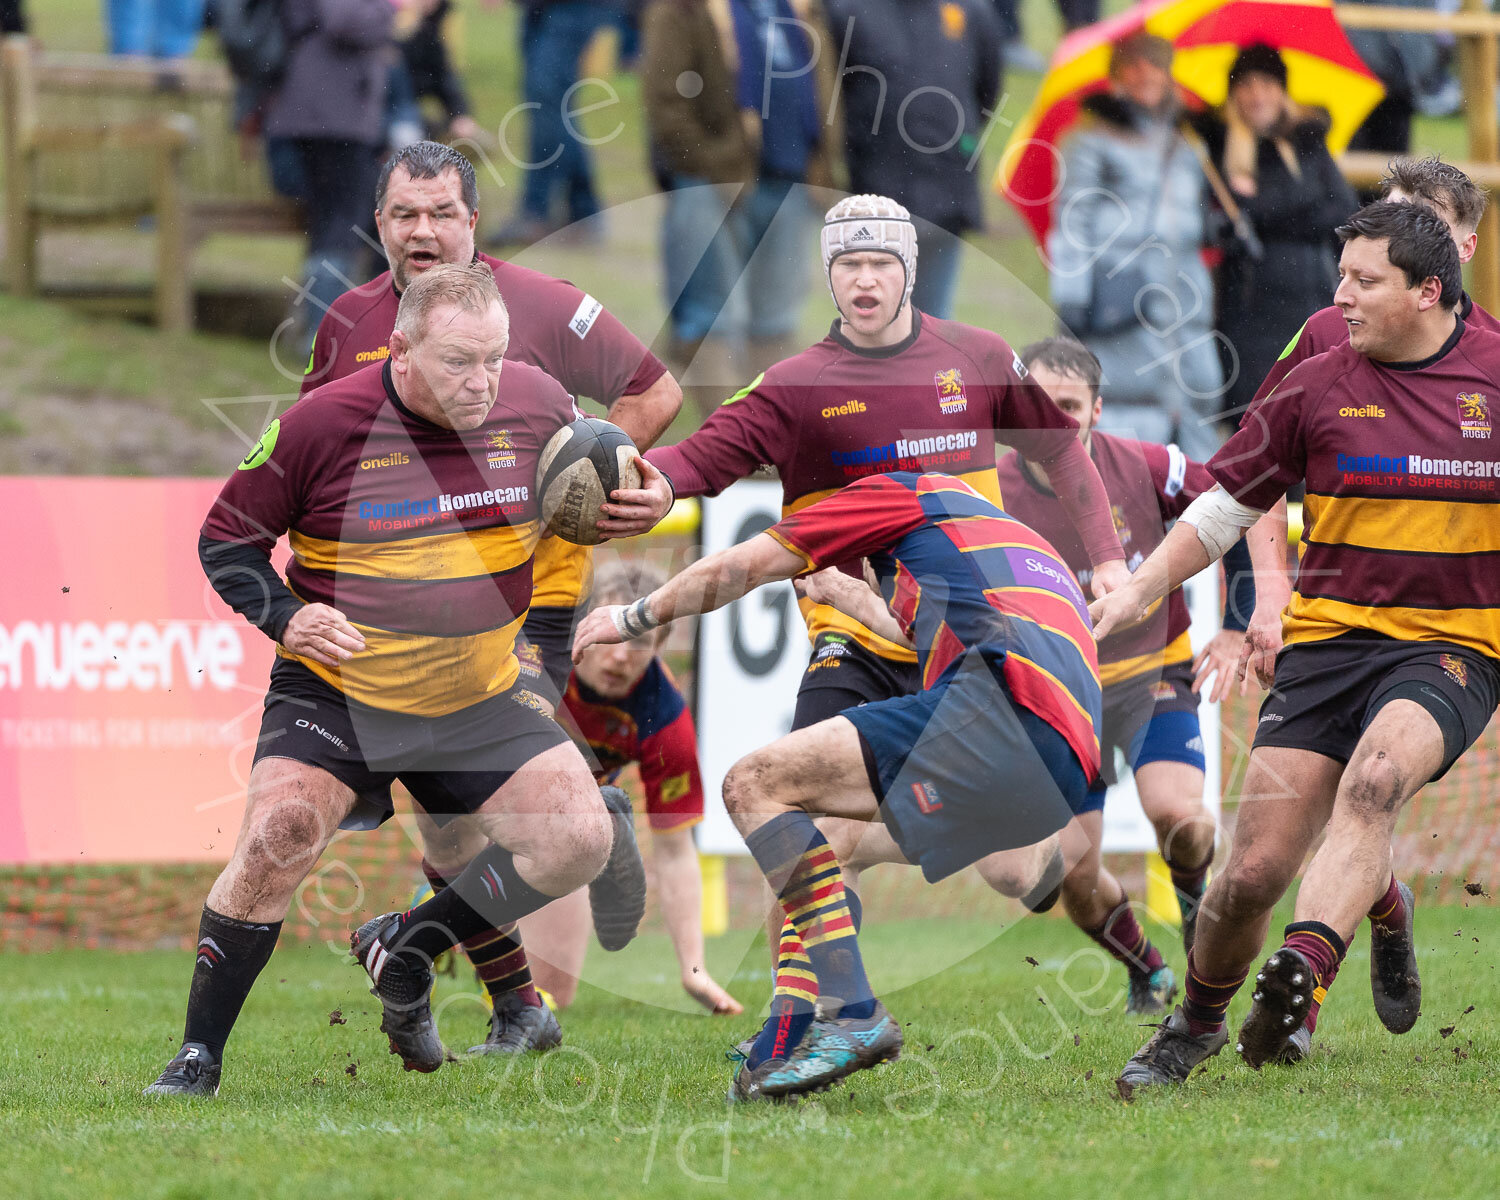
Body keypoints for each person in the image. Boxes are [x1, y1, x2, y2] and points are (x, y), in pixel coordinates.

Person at [613, 193, 1128, 1095]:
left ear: (910, 271)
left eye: (880, 262)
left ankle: (1040, 860)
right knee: (796, 815)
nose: (863, 279)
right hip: (852, 632)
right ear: (827, 274)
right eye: (846, 263)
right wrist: (656, 489)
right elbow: (708, 455)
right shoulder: (798, 384)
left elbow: (1062, 455)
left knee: (1013, 871)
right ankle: (798, 1023)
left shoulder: (975, 355)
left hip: (961, 640)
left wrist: (1114, 562)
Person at [142, 264, 675, 1096]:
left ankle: (410, 944)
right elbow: (225, 542)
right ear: (399, 350)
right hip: (341, 691)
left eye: (494, 358)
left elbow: (611, 459)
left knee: (580, 836)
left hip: (477, 692)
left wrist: (651, 490)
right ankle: (197, 1056)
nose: (483, 381)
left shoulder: (536, 401)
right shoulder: (319, 426)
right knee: (278, 839)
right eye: (459, 362)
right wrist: (287, 617)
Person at [1095, 202, 1500, 1095]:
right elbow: (1224, 506)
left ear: (1429, 289)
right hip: (1328, 645)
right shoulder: (1316, 381)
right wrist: (1134, 591)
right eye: (1340, 275)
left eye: (1364, 281)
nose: (1339, 298)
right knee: (1251, 874)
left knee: (1375, 783)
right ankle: (1198, 1024)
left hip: (1452, 648)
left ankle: (1301, 977)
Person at [300, 140, 683, 1054]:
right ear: (381, 224)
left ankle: (563, 815)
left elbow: (654, 392)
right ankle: (517, 1007)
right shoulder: (348, 318)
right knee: (441, 812)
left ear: (474, 221)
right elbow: (316, 452)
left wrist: (572, 487)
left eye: (442, 213)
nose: (423, 231)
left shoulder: (543, 305)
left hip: (523, 599)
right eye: (404, 214)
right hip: (395, 605)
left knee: (490, 790)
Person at [575, 469, 1099, 1098]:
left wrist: (633, 617)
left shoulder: (897, 494)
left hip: (1001, 710)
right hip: (1066, 759)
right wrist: (841, 593)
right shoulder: (998, 541)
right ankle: (796, 1029)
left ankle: (851, 1014)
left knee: (753, 785)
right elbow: (911, 634)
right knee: (846, 838)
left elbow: (742, 567)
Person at [996, 338, 1285, 1010]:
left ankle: (1192, 919)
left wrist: (1242, 619)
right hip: (1057, 700)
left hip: (1152, 679)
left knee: (1183, 821)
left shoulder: (1148, 465)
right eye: (1040, 408)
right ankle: (1148, 969)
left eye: (1069, 407)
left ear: (1096, 410)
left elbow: (1247, 500)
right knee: (1063, 873)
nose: (1055, 423)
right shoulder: (989, 491)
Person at [534, 561, 744, 1016]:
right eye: (610, 636)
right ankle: (450, 892)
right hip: (489, 789)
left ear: (660, 647)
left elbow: (675, 852)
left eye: (639, 641)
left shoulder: (665, 719)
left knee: (552, 999)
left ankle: (463, 908)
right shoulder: (538, 664)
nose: (621, 656)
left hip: (563, 819)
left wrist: (694, 970)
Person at [1048, 33, 1224, 461]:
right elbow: (1072, 219)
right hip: (1122, 287)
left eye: (1156, 64)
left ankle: (1191, 508)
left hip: (1185, 292)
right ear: (1115, 77)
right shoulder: (1090, 140)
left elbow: (1195, 218)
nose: (1145, 73)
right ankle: (1122, 495)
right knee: (1125, 395)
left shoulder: (1187, 142)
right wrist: (1072, 295)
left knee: (1199, 393)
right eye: (1133, 64)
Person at [640, 0, 837, 376]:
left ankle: (768, 428)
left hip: (791, 181)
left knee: (775, 321)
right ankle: (725, 430)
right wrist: (713, 165)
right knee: (712, 318)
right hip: (712, 183)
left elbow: (823, 91)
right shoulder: (684, 9)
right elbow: (665, 103)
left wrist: (821, 166)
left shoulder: (801, 9)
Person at [1202, 44, 1356, 425]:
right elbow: (1221, 224)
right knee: (1258, 419)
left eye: (1267, 84)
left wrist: (1258, 211)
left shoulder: (1307, 141)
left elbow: (1344, 212)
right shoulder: (1216, 148)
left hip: (1313, 299)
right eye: (1247, 84)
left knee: (1316, 416)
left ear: (1282, 90)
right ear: (1233, 93)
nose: (1257, 95)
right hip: (1250, 308)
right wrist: (1302, 207)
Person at [824, 0, 1003, 319]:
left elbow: (986, 93)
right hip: (876, 199)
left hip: (947, 198)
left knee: (931, 327)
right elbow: (831, 91)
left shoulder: (972, 12)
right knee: (872, 326)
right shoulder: (849, 10)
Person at [265, 0, 395, 352]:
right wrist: (390, 12)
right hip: (330, 116)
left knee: (334, 225)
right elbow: (342, 19)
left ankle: (326, 336)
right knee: (342, 224)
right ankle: (323, 340)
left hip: (326, 111)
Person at [485, 0, 618, 245]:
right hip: (541, 8)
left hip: (568, 7)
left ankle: (537, 212)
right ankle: (583, 212)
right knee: (554, 107)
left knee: (547, 103)